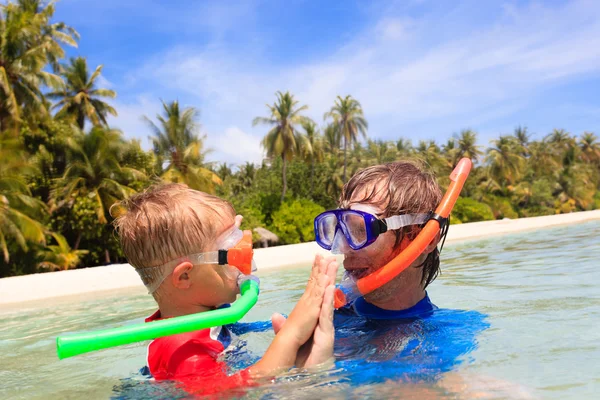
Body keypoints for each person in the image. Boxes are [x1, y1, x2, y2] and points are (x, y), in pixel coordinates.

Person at [113, 183, 338, 395]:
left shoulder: (207, 313)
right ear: (184, 276)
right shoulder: (183, 350)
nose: (245, 258)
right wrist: (291, 336)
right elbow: (227, 394)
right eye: (230, 250)